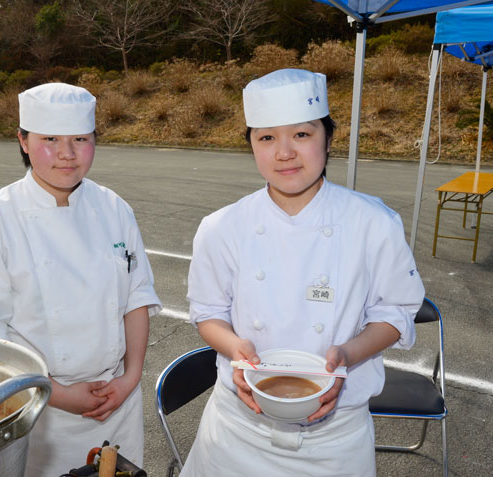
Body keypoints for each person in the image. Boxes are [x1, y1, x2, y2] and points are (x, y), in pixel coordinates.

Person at [182, 69, 425, 476]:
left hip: (334, 444)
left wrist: (348, 355)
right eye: (266, 138)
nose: (284, 153)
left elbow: (395, 311)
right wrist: (234, 348)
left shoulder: (373, 222)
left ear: (328, 139)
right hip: (236, 432)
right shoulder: (222, 226)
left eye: (301, 134)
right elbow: (207, 312)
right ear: (252, 147)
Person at [0, 82, 161, 476]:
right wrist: (60, 394)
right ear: (23, 141)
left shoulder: (114, 208)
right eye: (50, 139)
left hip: (118, 402)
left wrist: (130, 377)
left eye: (80, 139)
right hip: (37, 410)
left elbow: (136, 297)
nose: (67, 154)